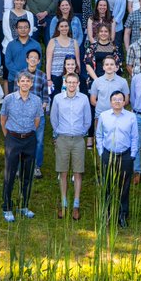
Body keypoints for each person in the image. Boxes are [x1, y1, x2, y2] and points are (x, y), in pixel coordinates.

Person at [50, 72, 91, 219]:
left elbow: (88, 120)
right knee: (63, 172)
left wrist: (81, 132)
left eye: (75, 82)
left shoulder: (84, 99)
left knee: (78, 172)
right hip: (62, 139)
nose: (72, 85)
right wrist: (60, 132)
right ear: (65, 83)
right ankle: (64, 203)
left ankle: (76, 204)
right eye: (70, 82)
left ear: (78, 83)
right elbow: (53, 119)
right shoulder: (58, 99)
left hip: (79, 140)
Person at [95, 90, 138, 227]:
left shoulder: (131, 117)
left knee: (124, 187)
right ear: (110, 102)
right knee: (107, 186)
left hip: (125, 156)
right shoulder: (104, 116)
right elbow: (99, 135)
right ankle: (107, 214)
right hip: (108, 154)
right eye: (115, 99)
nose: (117, 101)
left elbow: (135, 137)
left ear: (124, 101)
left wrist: (132, 155)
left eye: (120, 99)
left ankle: (122, 215)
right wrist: (101, 152)